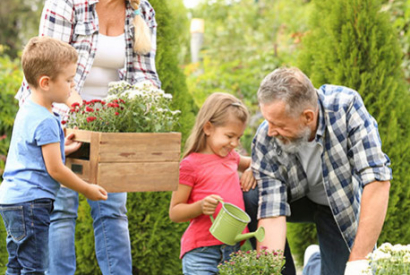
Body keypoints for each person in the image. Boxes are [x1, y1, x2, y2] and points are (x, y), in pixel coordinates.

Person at [15, 0, 160, 274]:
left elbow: (145, 74)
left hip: (109, 125)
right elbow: (49, 74)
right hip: (56, 117)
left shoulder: (142, 11)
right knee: (61, 209)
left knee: (113, 210)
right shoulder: (66, 4)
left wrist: (146, 106)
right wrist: (84, 115)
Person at [248, 67, 392, 275]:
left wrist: (359, 262)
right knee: (252, 195)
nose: (270, 131)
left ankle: (314, 263)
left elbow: (377, 180)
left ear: (307, 117)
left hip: (340, 205)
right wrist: (269, 270)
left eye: (278, 124)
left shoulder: (345, 108)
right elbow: (271, 213)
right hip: (297, 200)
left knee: (345, 270)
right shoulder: (267, 137)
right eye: (268, 121)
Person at [0, 36, 108, 275]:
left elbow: (30, 152)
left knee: (17, 265)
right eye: (69, 80)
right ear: (46, 82)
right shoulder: (47, 121)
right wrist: (87, 189)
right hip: (32, 203)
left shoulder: (28, 109)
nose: (72, 87)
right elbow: (56, 170)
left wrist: (61, 147)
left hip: (12, 200)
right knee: (35, 268)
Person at [169, 93, 257, 274]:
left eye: (239, 138)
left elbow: (257, 161)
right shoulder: (189, 165)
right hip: (201, 254)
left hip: (232, 251)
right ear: (208, 127)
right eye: (230, 136)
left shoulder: (232, 157)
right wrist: (200, 207)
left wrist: (252, 170)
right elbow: (175, 212)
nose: (235, 143)